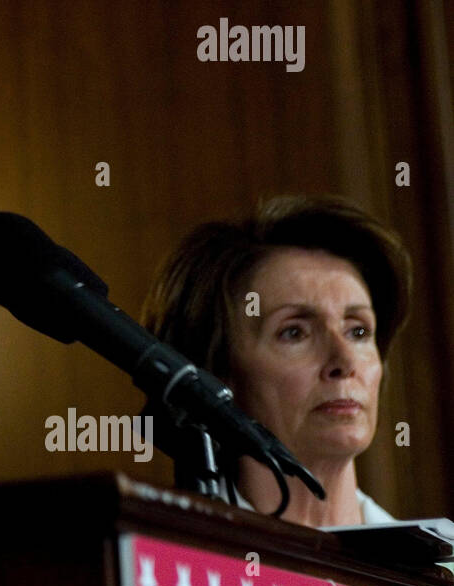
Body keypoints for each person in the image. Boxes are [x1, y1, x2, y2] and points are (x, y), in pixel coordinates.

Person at [141, 194, 411, 527]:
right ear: (215, 373)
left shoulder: (443, 571)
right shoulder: (166, 564)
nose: (344, 361)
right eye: (294, 333)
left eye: (358, 331)